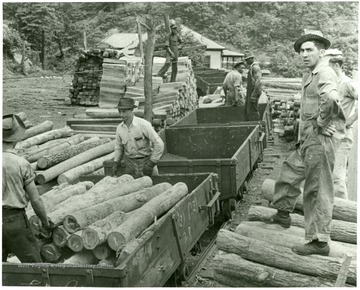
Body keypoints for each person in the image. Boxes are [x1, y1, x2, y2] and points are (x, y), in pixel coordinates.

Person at [268, 31, 346, 256]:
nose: (304, 54)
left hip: (320, 141)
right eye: (301, 50)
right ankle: (283, 213)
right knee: (289, 172)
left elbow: (331, 99)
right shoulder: (310, 74)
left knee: (317, 188)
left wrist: (322, 122)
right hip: (308, 140)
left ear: (322, 52)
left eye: (309, 49)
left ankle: (319, 241)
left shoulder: (324, 72)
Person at [3, 114, 51, 263]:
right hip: (14, 222)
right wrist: (45, 222)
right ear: (17, 139)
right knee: (35, 268)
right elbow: (36, 200)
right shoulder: (21, 164)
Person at [328, 53, 358, 199]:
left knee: (337, 177)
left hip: (343, 135)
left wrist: (351, 120)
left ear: (337, 66)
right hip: (331, 134)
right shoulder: (332, 84)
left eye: (328, 67)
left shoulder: (348, 83)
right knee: (329, 174)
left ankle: (344, 213)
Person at [112, 98, 165, 178]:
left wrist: (151, 163)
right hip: (130, 165)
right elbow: (119, 147)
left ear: (131, 110)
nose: (121, 115)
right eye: (120, 112)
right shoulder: (120, 128)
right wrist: (116, 162)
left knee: (152, 187)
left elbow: (159, 144)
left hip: (146, 162)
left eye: (124, 112)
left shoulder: (143, 125)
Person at [244, 51, 262, 121]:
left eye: (247, 60)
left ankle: (257, 125)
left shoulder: (255, 68)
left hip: (254, 91)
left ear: (252, 58)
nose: (246, 62)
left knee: (253, 110)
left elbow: (258, 82)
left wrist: (254, 95)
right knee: (249, 110)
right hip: (251, 91)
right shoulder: (251, 68)